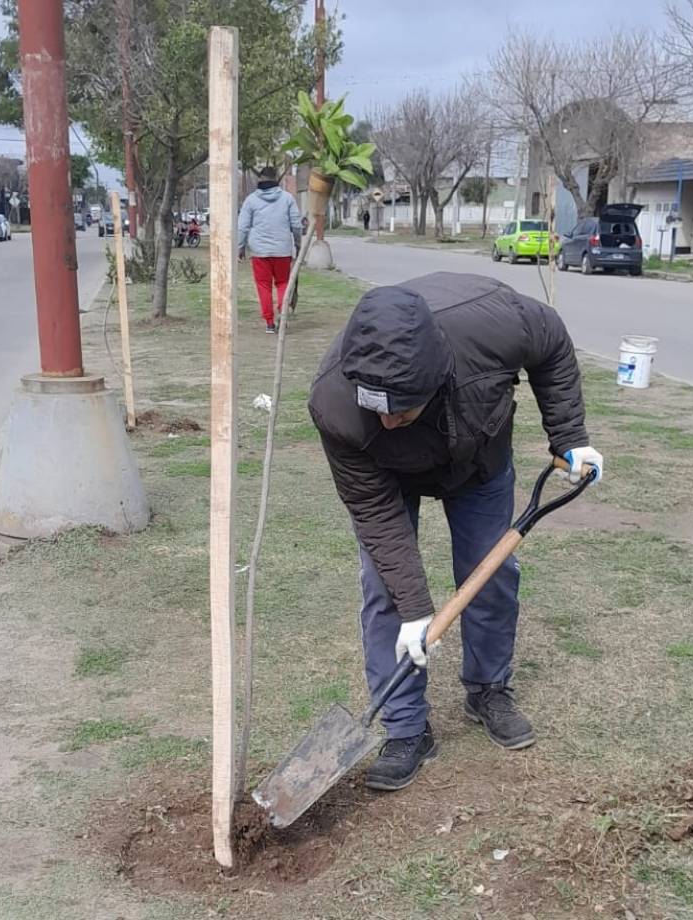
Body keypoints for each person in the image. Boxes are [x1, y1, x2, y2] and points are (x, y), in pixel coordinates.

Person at [308, 272, 603, 791]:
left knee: (489, 576)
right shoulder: (336, 403)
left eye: (403, 408)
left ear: (437, 377)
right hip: (388, 477)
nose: (392, 420)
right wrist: (418, 611)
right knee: (387, 594)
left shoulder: (491, 324)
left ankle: (488, 689)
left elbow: (553, 343)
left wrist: (569, 436)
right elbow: (374, 513)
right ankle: (406, 728)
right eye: (379, 408)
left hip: (478, 459)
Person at [237, 166, 302, 333]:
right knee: (283, 283)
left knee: (263, 286)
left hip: (260, 252)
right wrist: (298, 243)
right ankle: (283, 313)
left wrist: (240, 247)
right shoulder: (287, 199)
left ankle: (269, 323)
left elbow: (243, 227)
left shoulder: (251, 200)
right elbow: (296, 225)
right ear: (276, 180)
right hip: (282, 251)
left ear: (260, 179)